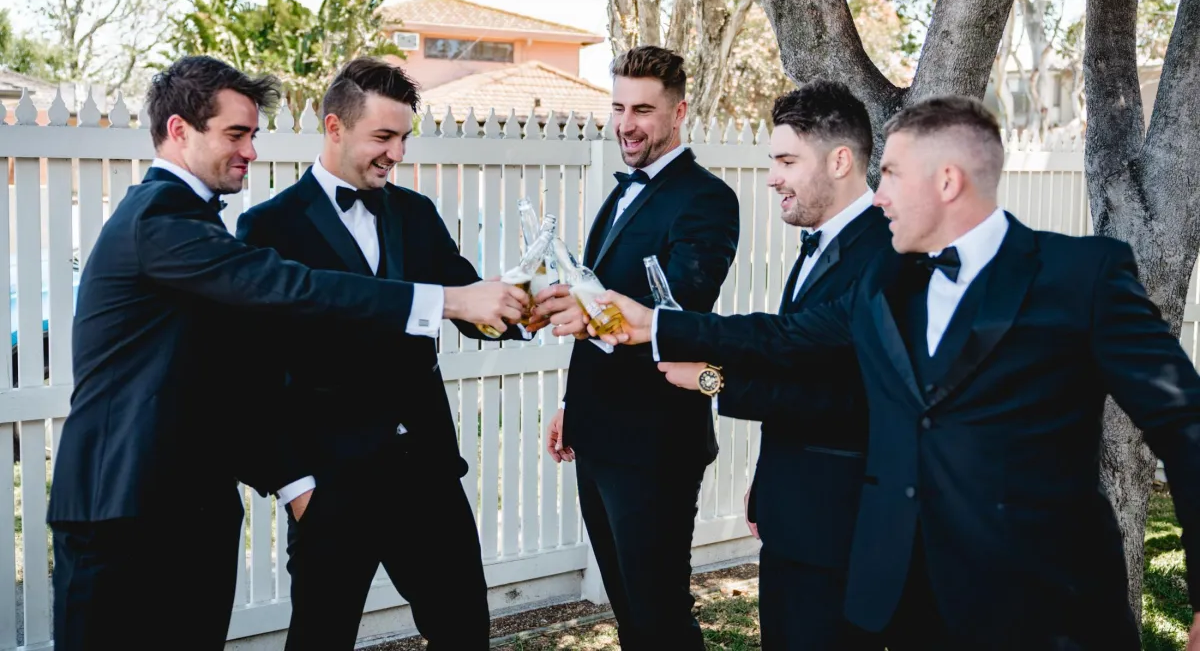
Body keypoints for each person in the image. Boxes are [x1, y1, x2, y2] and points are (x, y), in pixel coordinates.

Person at [595, 95, 1200, 651]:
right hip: (909, 605)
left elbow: (1184, 424)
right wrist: (657, 324)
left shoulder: (1082, 274)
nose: (878, 195)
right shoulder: (885, 284)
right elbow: (785, 337)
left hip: (1048, 610)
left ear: (947, 181)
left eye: (890, 176)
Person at [46, 56, 526, 651]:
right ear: (179, 130)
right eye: (236, 134)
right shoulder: (165, 219)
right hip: (137, 503)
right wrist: (295, 482)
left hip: (224, 500)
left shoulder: (197, 221)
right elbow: (286, 303)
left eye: (252, 134)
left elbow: (212, 369)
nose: (250, 150)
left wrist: (519, 307)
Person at [236, 58, 538, 650]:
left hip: (427, 471)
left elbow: (466, 301)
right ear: (334, 127)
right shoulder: (268, 228)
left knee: (464, 633)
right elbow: (251, 374)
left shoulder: (416, 214)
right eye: (383, 137)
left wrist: (523, 307)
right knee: (321, 639)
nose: (396, 153)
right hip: (330, 483)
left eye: (403, 138)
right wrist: (296, 487)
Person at [660, 81, 887, 650]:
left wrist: (710, 380)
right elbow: (795, 365)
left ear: (840, 161)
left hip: (842, 524)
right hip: (793, 513)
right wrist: (768, 482)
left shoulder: (881, 251)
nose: (772, 178)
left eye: (787, 161)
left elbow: (851, 396)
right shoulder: (821, 243)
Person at [533, 45, 739, 649]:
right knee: (629, 611)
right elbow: (595, 298)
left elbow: (678, 309)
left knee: (659, 613)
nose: (626, 123)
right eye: (620, 107)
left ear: (679, 112)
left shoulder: (706, 199)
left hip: (656, 441)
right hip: (598, 432)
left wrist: (590, 313)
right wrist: (572, 403)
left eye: (643, 110)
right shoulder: (621, 193)